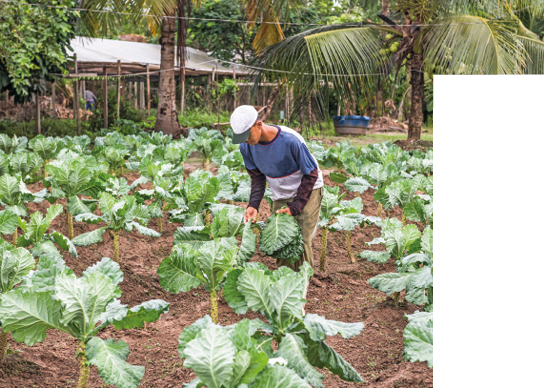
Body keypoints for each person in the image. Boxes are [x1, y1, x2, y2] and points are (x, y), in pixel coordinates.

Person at [230, 105, 324, 273]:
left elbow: (311, 174)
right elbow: (257, 177)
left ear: (259, 125)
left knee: (301, 241)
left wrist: (295, 207)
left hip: (307, 190)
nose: (245, 140)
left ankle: (300, 288)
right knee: (280, 239)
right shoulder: (246, 147)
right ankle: (284, 284)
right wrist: (253, 205)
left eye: (247, 135)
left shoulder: (291, 140)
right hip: (281, 193)